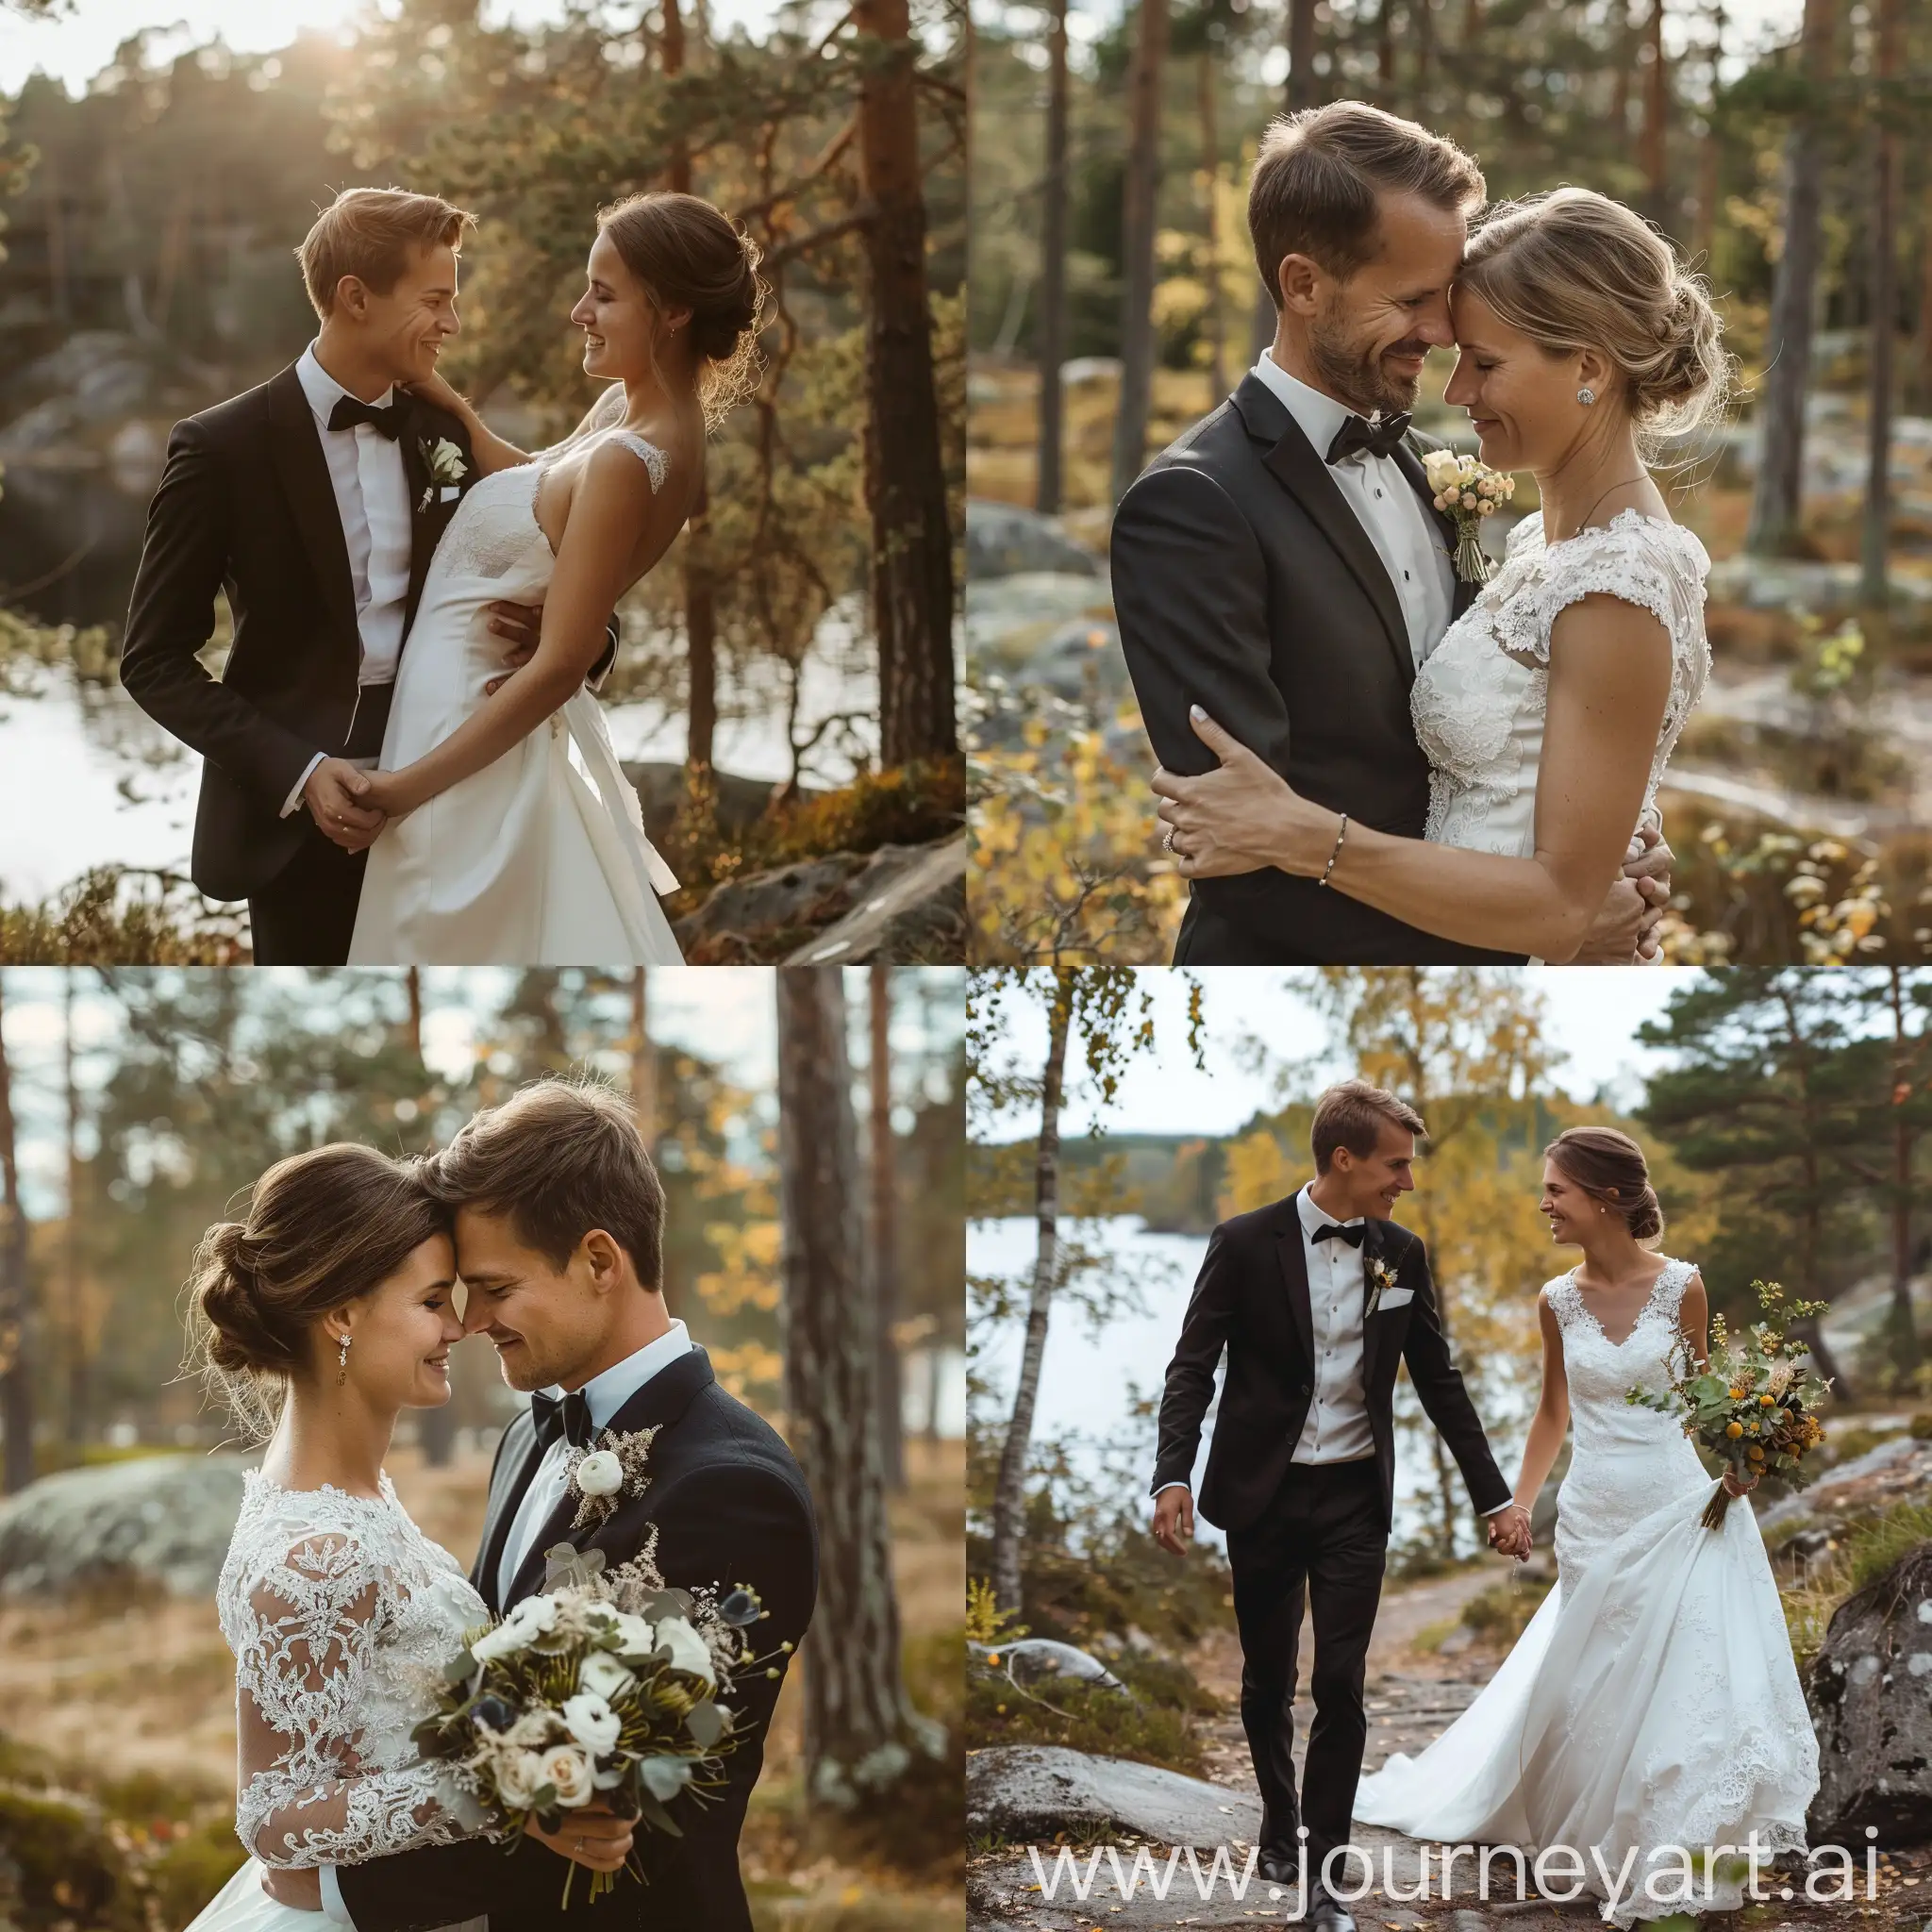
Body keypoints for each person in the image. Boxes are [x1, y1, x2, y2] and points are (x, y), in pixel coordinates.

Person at [1353, 1126, 1819, 1924]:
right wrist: (1517, 1502)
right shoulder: (1556, 1298)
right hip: (1594, 1515)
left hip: (1680, 1511)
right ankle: (1597, 1837)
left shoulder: (1683, 1289)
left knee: (1688, 1682)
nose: (1544, 1204)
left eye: (1556, 1190)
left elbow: (1703, 1397)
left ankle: (1674, 1846)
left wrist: (1745, 1451)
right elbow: (1551, 1412)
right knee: (1596, 1685)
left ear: (1604, 1196)